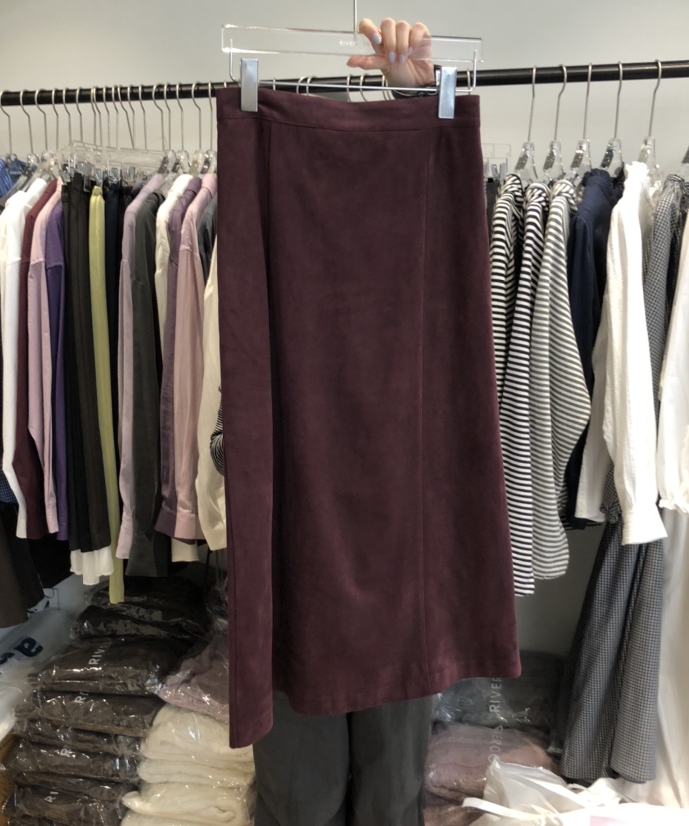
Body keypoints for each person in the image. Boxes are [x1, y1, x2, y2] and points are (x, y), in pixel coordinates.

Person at [213, 20, 439, 826]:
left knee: (389, 790)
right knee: (302, 793)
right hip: (292, 533)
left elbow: (432, 191)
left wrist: (414, 100)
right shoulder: (248, 220)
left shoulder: (431, 237)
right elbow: (229, 402)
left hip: (400, 538)